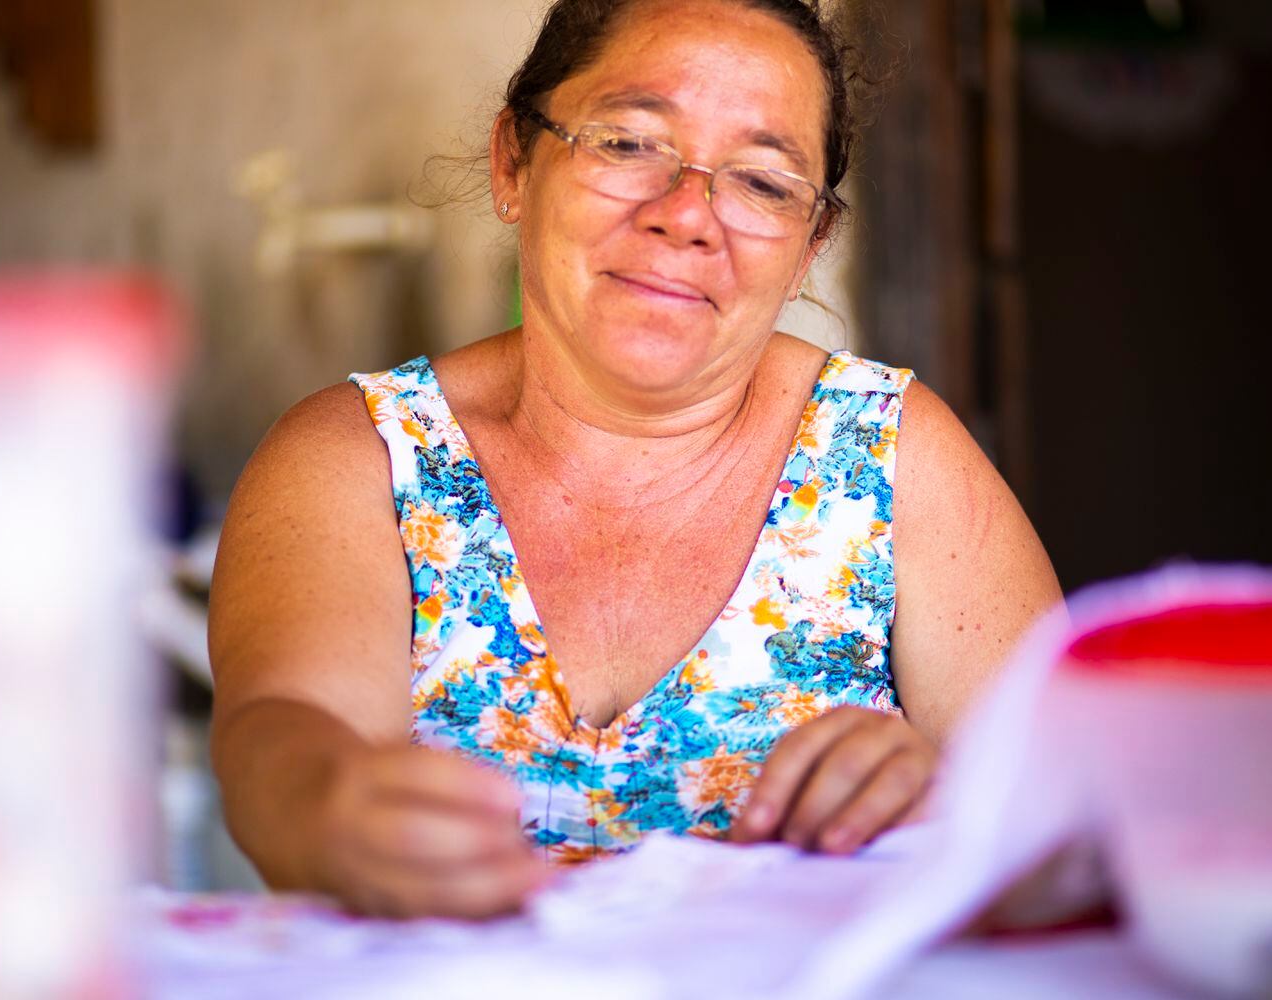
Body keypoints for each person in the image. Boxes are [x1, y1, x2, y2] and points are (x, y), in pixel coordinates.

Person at [208, 0, 1062, 921]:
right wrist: (326, 811)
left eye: (765, 185)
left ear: (811, 245)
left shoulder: (894, 458)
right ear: (513, 163)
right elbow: (281, 738)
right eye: (627, 144)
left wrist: (955, 810)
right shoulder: (359, 456)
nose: (689, 216)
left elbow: (1075, 818)